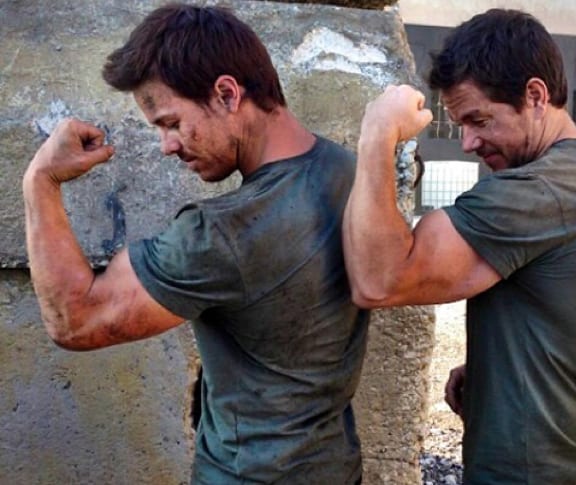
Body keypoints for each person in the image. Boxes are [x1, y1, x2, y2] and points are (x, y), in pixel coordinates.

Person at [23, 4, 369, 484]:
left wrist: (40, 180)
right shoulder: (347, 170)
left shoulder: (221, 234)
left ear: (227, 94)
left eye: (170, 122)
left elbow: (74, 320)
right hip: (337, 468)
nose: (166, 145)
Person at [343, 8, 576, 484]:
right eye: (461, 124)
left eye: (479, 120)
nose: (468, 142)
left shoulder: (543, 191)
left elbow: (379, 280)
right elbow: (562, 303)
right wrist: (497, 368)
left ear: (535, 96)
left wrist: (377, 134)